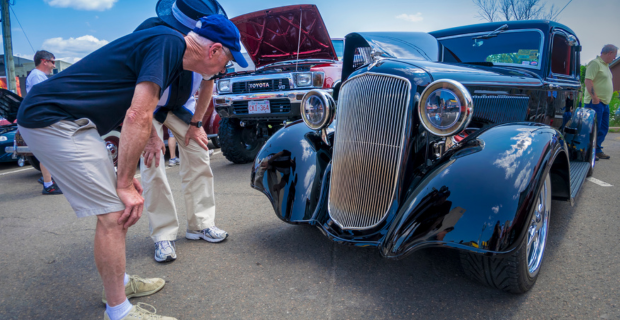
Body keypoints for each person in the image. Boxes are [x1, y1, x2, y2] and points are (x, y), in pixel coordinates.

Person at [16, 10, 247, 320]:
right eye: (227, 61)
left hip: (73, 121)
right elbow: (137, 115)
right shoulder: (168, 44)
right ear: (214, 50)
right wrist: (123, 181)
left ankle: (118, 284)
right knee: (114, 213)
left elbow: (137, 110)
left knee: (117, 209)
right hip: (51, 118)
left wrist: (124, 175)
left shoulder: (167, 46)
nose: (224, 68)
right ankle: (120, 312)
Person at [135, 0, 229, 263]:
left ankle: (199, 225)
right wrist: (151, 137)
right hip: (147, 105)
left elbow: (208, 82)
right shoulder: (152, 33)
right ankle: (163, 234)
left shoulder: (210, 42)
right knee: (153, 162)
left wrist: (197, 124)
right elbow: (136, 88)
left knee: (199, 152)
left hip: (180, 105)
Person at [25, 50, 62, 195]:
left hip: (43, 116)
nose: (54, 65)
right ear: (44, 61)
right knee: (48, 152)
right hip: (41, 118)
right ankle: (48, 185)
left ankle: (47, 178)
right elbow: (43, 98)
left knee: (53, 151)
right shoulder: (37, 76)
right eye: (53, 61)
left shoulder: (39, 76)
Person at [584, 44, 618, 160]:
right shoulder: (595, 63)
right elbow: (588, 80)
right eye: (614, 55)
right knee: (593, 128)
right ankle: (588, 151)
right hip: (595, 102)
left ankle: (597, 149)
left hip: (604, 103)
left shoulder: (606, 66)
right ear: (609, 53)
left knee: (603, 127)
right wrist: (595, 98)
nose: (614, 58)